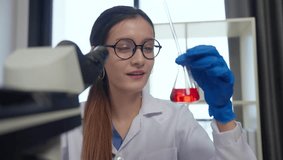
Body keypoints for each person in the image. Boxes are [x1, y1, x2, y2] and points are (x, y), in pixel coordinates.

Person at [62, 5, 257, 160]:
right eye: (124, 47)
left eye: (147, 47)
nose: (140, 59)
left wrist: (224, 115)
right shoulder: (69, 123)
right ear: (98, 54)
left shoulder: (176, 119)